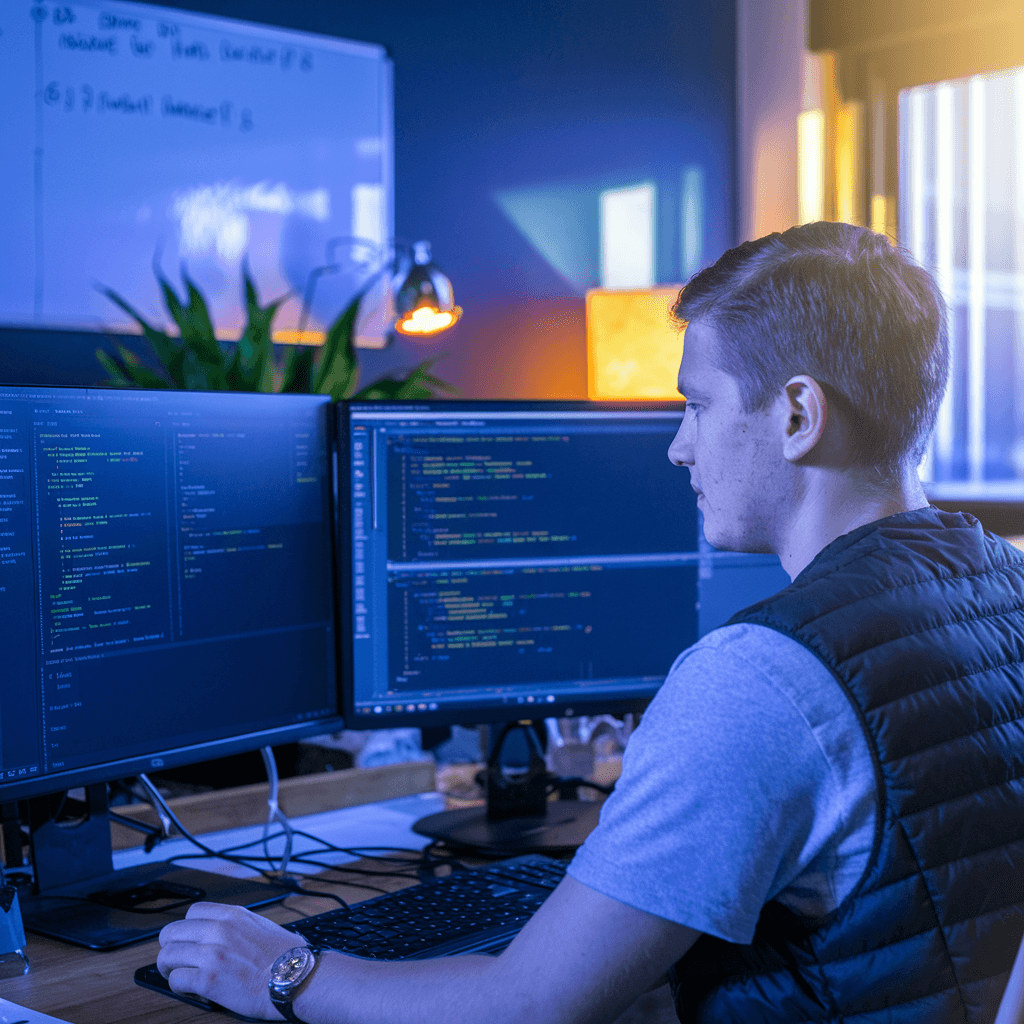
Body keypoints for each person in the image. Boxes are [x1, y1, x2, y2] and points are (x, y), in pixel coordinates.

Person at [156, 222, 1024, 1024]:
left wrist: (283, 972)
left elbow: (525, 1007)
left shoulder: (766, 677)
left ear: (797, 414)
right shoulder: (1009, 586)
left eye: (698, 404)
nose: (680, 447)